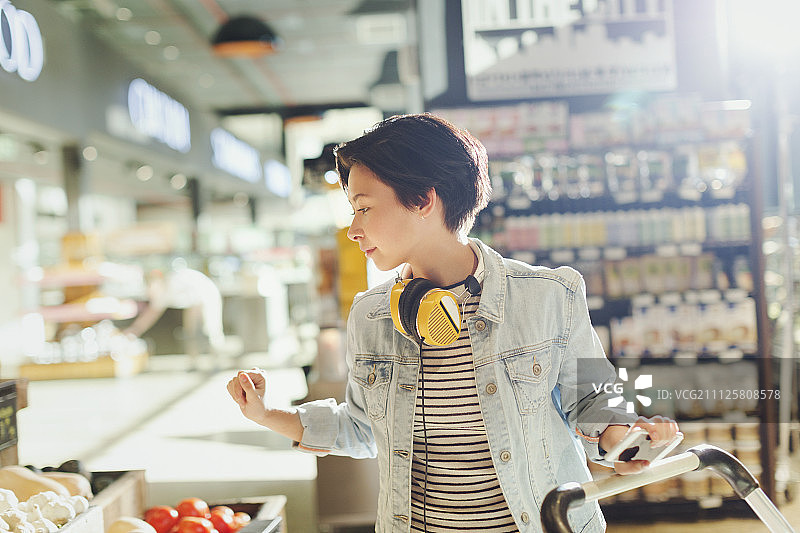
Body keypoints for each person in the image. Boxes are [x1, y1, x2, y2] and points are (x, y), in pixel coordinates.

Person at [227, 113, 680, 532]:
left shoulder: (549, 295)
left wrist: (626, 443)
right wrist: (267, 415)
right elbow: (362, 429)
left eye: (363, 207)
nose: (353, 228)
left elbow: (593, 400)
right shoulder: (370, 314)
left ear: (423, 199)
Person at [125, 265, 226, 367]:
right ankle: (194, 362)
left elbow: (152, 313)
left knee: (211, 330)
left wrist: (134, 331)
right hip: (193, 303)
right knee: (190, 332)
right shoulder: (163, 291)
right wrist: (134, 331)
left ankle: (217, 361)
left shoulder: (172, 282)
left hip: (207, 296)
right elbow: (150, 315)